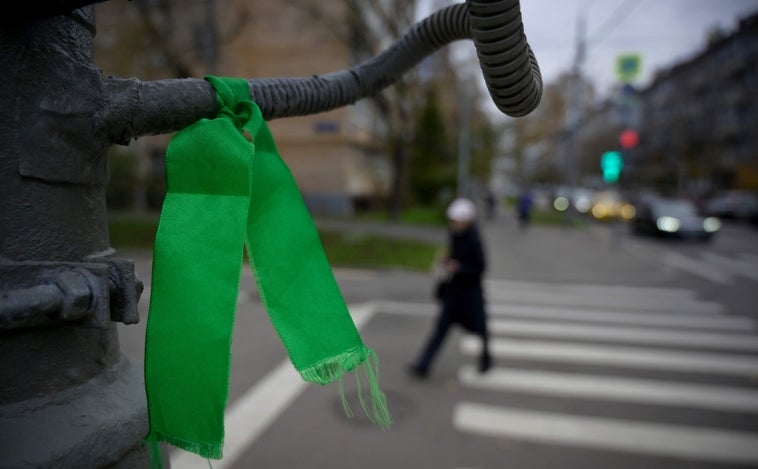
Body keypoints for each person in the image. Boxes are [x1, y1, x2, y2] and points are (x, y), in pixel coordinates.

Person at [408, 197, 491, 379]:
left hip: (471, 294)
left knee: (479, 328)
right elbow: (454, 256)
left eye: (456, 219)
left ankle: (486, 359)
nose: (453, 223)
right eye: (452, 220)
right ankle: (423, 365)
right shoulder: (455, 234)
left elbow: (480, 267)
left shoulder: (474, 240)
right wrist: (446, 260)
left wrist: (459, 267)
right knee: (441, 328)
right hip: (454, 292)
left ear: (466, 220)